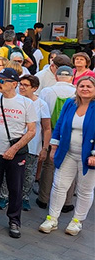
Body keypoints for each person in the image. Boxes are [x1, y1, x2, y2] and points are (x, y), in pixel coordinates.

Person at [0, 68, 37, 239]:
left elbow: (31, 131)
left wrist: (14, 149)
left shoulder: (26, 104)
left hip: (16, 153)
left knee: (15, 188)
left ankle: (14, 220)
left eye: (2, 81)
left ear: (14, 84)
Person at [39, 76, 95, 236]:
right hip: (67, 152)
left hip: (88, 157)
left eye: (89, 86)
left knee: (85, 189)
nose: (85, 89)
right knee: (59, 185)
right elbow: (60, 124)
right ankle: (52, 218)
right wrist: (54, 146)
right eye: (81, 86)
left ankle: (77, 221)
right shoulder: (70, 103)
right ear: (76, 88)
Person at [0, 75, 50, 211]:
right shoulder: (13, 101)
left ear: (35, 88)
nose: (22, 87)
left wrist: (44, 148)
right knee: (7, 172)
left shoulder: (41, 104)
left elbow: (47, 128)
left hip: (32, 146)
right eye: (21, 84)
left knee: (28, 174)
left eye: (26, 85)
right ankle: (4, 196)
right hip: (12, 143)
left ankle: (24, 197)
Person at [37, 66, 77, 210]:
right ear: (72, 77)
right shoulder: (77, 92)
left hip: (51, 131)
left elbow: (40, 113)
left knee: (48, 165)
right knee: (70, 166)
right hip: (72, 133)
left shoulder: (47, 91)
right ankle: (67, 202)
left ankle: (43, 198)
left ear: (56, 76)